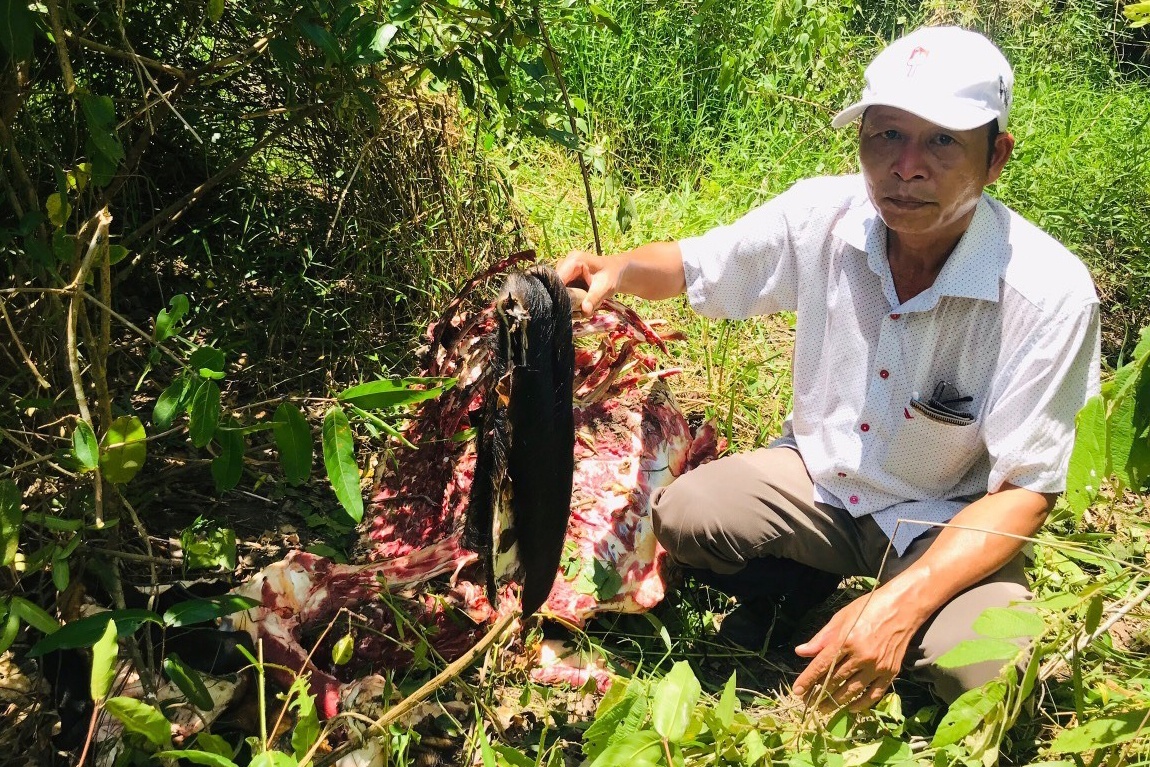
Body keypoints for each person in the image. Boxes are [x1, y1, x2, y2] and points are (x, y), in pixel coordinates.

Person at [555, 26, 1100, 709]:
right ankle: (796, 591)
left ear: (997, 159)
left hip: (945, 520)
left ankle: (898, 622)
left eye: (941, 141)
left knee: (985, 673)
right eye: (885, 135)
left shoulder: (1046, 291)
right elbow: (701, 264)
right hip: (822, 482)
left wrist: (900, 606)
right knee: (690, 514)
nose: (905, 166)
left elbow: (1027, 492)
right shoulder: (826, 215)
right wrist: (618, 268)